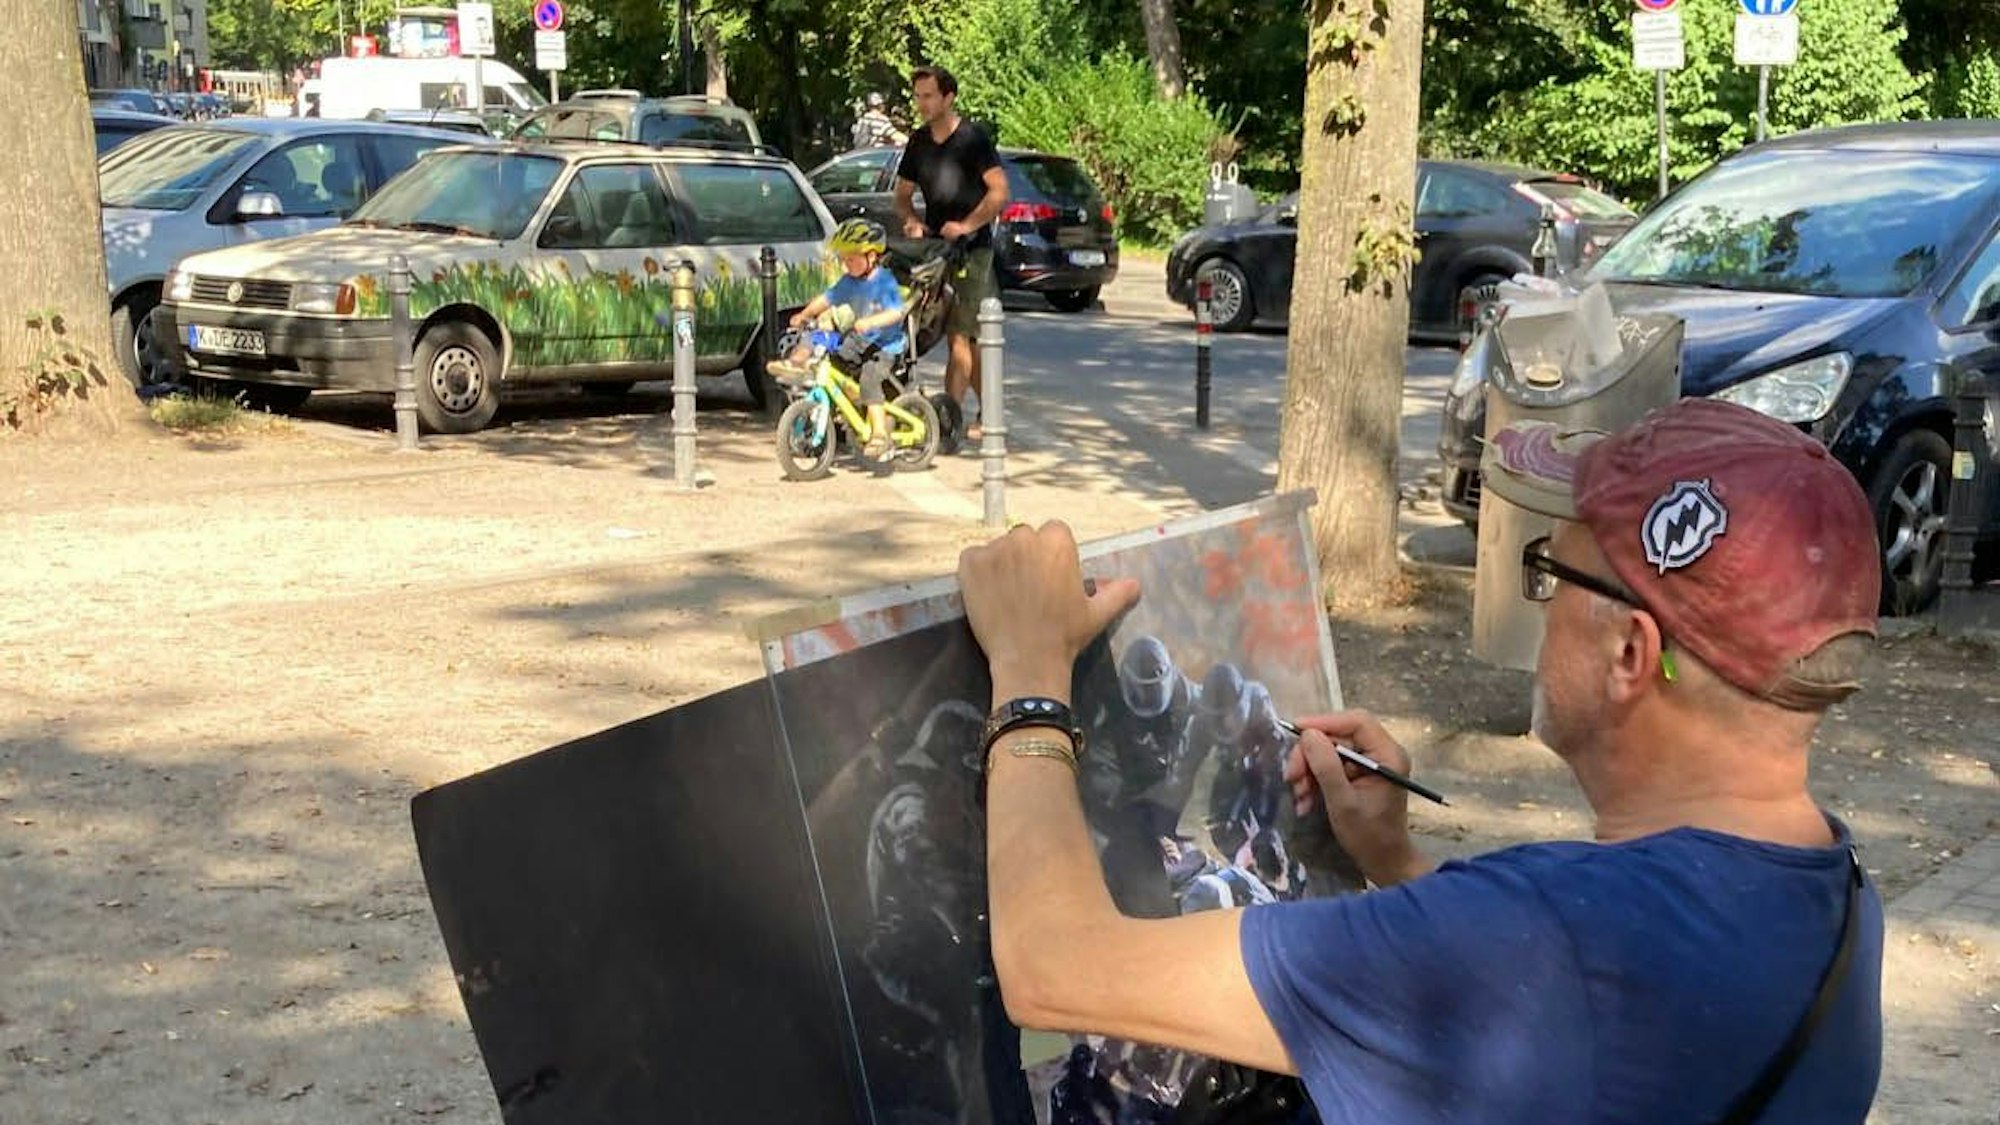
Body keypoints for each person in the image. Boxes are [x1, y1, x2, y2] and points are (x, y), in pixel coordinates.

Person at [954, 397, 1886, 1124]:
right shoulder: (1836, 892)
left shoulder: (1536, 935)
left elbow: (1055, 966)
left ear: (1632, 654)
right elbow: (1587, 1020)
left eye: (1549, 574)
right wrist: (1396, 866)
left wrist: (1031, 665)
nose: (1541, 607)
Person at [895, 65, 1009, 442]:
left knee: (960, 336)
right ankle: (990, 413)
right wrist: (911, 220)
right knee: (967, 338)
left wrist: (967, 225)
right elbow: (902, 195)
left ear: (948, 97)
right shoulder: (918, 142)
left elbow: (998, 192)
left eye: (928, 96)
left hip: (973, 251)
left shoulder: (973, 139)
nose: (921, 104)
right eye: (918, 96)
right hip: (936, 251)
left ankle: (948, 425)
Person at [770, 218, 907, 460]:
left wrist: (871, 322)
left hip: (885, 345)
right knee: (831, 359)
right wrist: (804, 314)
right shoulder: (849, 282)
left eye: (851, 259)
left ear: (872, 256)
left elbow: (896, 312)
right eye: (843, 259)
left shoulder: (884, 282)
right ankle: (800, 371)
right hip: (859, 340)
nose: (846, 264)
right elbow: (827, 298)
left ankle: (879, 435)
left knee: (869, 379)